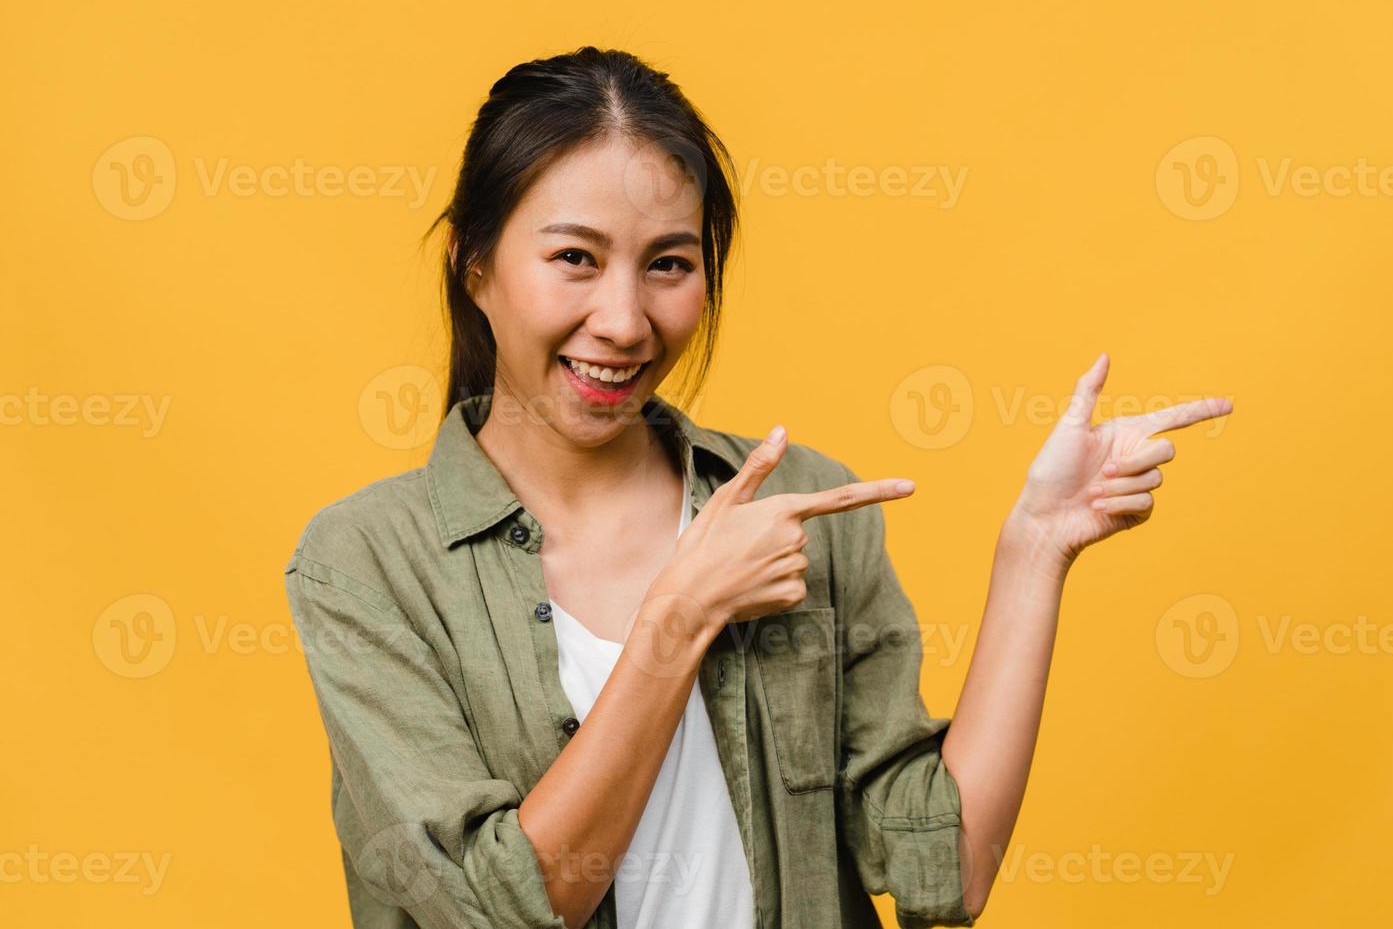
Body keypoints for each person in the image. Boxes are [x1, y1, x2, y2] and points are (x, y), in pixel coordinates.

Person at [283, 45, 1234, 929]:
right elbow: (494, 910)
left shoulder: (804, 510)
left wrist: (1036, 546)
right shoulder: (364, 563)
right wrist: (679, 618)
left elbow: (948, 870)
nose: (622, 319)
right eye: (574, 257)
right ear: (474, 262)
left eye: (669, 265)